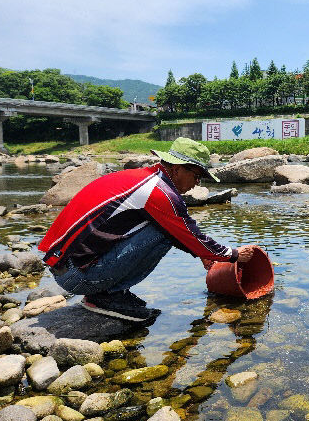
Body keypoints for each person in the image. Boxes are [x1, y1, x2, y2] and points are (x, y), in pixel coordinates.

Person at [38, 137, 256, 322]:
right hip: (78, 277)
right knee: (162, 233)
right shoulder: (159, 192)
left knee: (165, 229)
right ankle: (104, 296)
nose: (196, 183)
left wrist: (201, 253)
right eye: (196, 176)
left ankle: (110, 292)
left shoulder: (144, 178)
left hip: (66, 267)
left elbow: (184, 233)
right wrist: (233, 255)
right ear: (178, 169)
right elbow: (188, 233)